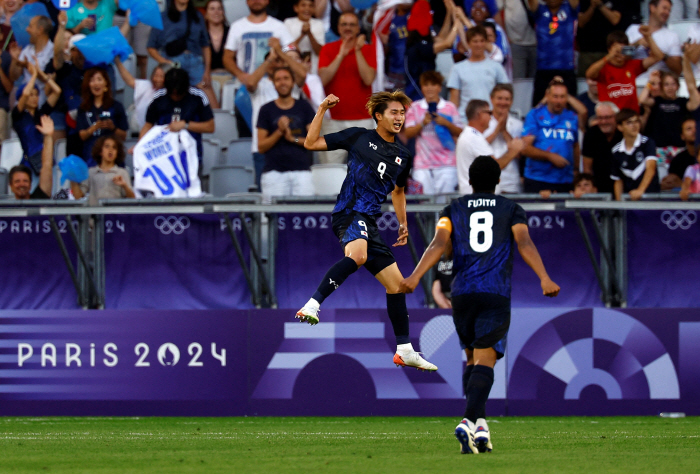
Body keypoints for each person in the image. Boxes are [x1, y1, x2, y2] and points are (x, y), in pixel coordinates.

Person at [399, 155, 560, 455]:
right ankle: (468, 420)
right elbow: (524, 242)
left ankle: (480, 426)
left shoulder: (452, 209)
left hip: (461, 294)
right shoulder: (512, 209)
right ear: (499, 181)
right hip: (494, 292)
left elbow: (438, 244)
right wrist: (544, 277)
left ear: (469, 181)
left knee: (472, 360)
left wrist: (414, 276)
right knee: (486, 361)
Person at [297, 90, 438, 372]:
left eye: (402, 113)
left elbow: (398, 191)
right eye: (393, 113)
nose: (399, 118)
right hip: (349, 213)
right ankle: (312, 304)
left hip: (369, 222)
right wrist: (323, 108)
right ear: (378, 116)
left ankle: (404, 349)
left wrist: (403, 222)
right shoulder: (358, 136)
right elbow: (310, 143)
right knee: (358, 256)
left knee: (396, 285)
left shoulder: (402, 155)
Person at [317, 12, 377, 164]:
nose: (348, 28)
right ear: (338, 28)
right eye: (344, 24)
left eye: (352, 25)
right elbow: (323, 79)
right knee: (331, 170)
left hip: (362, 120)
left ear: (358, 28)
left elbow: (368, 78)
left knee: (365, 169)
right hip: (333, 121)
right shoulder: (328, 49)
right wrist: (340, 55)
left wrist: (357, 50)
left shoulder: (368, 49)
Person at [257, 66, 316, 203]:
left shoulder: (304, 107)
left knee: (304, 217)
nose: (282, 83)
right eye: (278, 79)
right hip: (274, 174)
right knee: (273, 219)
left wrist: (292, 138)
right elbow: (261, 147)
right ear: (273, 83)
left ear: (293, 82)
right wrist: (279, 132)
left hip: (301, 172)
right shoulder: (266, 110)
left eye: (286, 78)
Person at [403, 70, 464, 195]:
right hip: (422, 165)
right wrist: (422, 123)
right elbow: (408, 133)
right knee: (425, 205)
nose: (429, 88)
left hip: (447, 164)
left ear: (439, 87)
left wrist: (446, 123)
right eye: (426, 85)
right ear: (422, 87)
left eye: (433, 84)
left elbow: (461, 132)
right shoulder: (415, 107)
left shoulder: (449, 107)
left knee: (443, 204)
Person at [140, 68, 215, 161]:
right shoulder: (158, 98)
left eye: (178, 94)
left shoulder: (198, 96)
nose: (175, 97)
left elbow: (210, 126)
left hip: (191, 156)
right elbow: (148, 124)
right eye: (172, 94)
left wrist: (185, 125)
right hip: (163, 157)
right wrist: (139, 147)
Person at [521, 78, 580, 194]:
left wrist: (576, 170)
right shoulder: (534, 115)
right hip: (538, 179)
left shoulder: (572, 117)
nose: (559, 101)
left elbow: (575, 145)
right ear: (547, 96)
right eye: (555, 96)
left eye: (562, 97)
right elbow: (525, 148)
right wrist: (549, 156)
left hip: (565, 180)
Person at [585, 29, 663, 113]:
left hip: (631, 118)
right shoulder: (603, 67)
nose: (619, 52)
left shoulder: (632, 65)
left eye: (623, 49)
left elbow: (658, 57)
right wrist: (609, 57)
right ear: (609, 49)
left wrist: (648, 37)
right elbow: (589, 74)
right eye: (616, 49)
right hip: (612, 118)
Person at [457, 99, 524, 195]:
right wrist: (514, 150)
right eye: (489, 113)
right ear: (480, 114)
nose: (491, 118)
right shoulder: (473, 137)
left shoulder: (471, 135)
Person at [447, 26, 509, 123]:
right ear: (468, 43)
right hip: (465, 120)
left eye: (482, 41)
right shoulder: (457, 68)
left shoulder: (496, 67)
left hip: (491, 119)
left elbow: (505, 94)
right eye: (475, 41)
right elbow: (454, 100)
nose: (478, 45)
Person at [223, 0, 293, 84]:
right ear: (247, 1)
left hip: (273, 85)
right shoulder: (236, 26)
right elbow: (227, 57)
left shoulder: (279, 26)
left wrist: (280, 50)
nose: (256, 1)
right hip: (245, 85)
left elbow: (292, 51)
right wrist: (239, 74)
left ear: (267, 1)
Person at [403, 0, 460, 101]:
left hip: (427, 91)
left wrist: (449, 12)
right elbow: (446, 43)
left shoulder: (424, 41)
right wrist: (457, 24)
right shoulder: (417, 46)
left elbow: (442, 38)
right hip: (417, 95)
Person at [147, 0, 211, 89]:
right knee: (175, 96)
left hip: (195, 63)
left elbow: (205, 45)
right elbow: (151, 47)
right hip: (173, 62)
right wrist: (165, 62)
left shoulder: (197, 15)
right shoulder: (162, 17)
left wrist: (207, 71)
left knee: (208, 98)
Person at [11, 61, 60, 175]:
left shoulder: (42, 113)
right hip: (30, 164)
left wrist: (41, 75)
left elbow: (57, 91)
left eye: (36, 94)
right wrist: (33, 75)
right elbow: (25, 93)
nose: (34, 98)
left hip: (46, 160)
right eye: (31, 95)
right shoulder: (18, 116)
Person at [527, 0, 579, 106]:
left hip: (566, 68)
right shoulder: (539, 10)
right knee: (539, 107)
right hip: (543, 69)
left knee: (570, 108)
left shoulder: (569, 8)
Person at [76, 68, 128, 166]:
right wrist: (95, 127)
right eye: (92, 80)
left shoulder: (116, 106)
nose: (96, 83)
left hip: (113, 159)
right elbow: (82, 136)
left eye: (99, 79)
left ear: (106, 84)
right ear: (88, 85)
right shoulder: (83, 108)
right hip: (90, 157)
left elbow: (123, 136)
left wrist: (113, 128)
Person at [625, 0, 682, 82]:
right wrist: (637, 44)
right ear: (652, 7)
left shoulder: (672, 36)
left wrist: (661, 54)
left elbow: (678, 70)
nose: (667, 13)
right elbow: (620, 56)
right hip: (633, 82)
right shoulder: (633, 29)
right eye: (664, 8)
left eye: (669, 10)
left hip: (659, 86)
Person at [611, 108, 660, 201]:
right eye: (629, 123)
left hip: (651, 199)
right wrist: (620, 204)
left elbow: (651, 168)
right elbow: (618, 180)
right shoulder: (616, 151)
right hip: (629, 200)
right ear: (620, 127)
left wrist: (640, 191)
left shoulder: (647, 143)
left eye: (637, 121)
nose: (634, 126)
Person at [70, 136, 135, 206]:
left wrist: (124, 185)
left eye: (114, 147)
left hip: (115, 214)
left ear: (117, 153)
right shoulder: (90, 172)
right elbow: (78, 196)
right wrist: (72, 179)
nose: (110, 150)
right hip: (95, 214)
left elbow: (132, 199)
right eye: (107, 146)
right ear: (100, 151)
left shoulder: (122, 172)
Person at [484, 83, 523, 193]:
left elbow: (519, 153)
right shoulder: (483, 121)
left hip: (511, 180)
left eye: (507, 99)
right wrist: (497, 130)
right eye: (499, 98)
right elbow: (478, 148)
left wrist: (504, 130)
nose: (503, 102)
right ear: (491, 99)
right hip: (486, 179)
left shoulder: (518, 124)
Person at [113, 57, 167, 132]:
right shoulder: (147, 85)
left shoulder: (170, 93)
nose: (157, 79)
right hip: (141, 129)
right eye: (156, 75)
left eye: (161, 76)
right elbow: (129, 80)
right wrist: (118, 62)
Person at [9, 115, 55, 200]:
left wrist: (48, 136)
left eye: (25, 181)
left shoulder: (39, 199)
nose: (21, 184)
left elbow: (46, 166)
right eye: (17, 181)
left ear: (30, 184)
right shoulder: (6, 209)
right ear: (10, 185)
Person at [576, 0, 625, 76]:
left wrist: (600, 5)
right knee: (585, 81)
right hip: (587, 51)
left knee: (609, 80)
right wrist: (592, 7)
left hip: (608, 52)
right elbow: (581, 22)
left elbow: (615, 20)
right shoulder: (584, 2)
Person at [582, 101, 621, 194]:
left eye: (607, 117)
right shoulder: (591, 134)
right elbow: (587, 168)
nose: (604, 122)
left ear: (616, 117)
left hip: (623, 185)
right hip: (599, 186)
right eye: (600, 118)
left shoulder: (623, 133)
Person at [9, 15, 53, 92]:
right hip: (24, 98)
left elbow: (48, 81)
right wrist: (15, 59)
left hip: (42, 100)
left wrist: (27, 66)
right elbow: (14, 77)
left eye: (30, 26)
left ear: (40, 30)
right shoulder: (27, 50)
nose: (27, 29)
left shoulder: (52, 52)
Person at [284, 0, 325, 74]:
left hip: (313, 70)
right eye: (303, 5)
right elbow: (286, 49)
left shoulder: (318, 24)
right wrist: (302, 35)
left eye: (310, 6)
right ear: (296, 8)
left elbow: (320, 51)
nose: (307, 9)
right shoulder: (288, 23)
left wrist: (309, 34)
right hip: (292, 70)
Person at [500, 0, 536, 79]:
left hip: (537, 42)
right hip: (514, 41)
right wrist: (505, 36)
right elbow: (498, 10)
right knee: (518, 80)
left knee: (536, 81)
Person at [204, 0, 230, 107]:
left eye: (219, 8)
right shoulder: (201, 34)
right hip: (208, 77)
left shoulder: (231, 32)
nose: (216, 12)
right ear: (206, 14)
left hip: (229, 77)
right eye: (212, 8)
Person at [663, 118, 696, 190]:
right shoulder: (677, 161)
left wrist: (682, 184)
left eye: (696, 127)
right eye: (689, 129)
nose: (694, 131)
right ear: (682, 136)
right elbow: (672, 184)